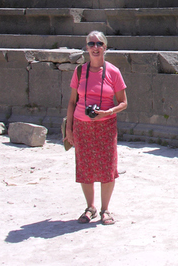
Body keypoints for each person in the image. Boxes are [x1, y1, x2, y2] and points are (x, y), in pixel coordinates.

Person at [64, 31, 127, 225]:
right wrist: (69, 129)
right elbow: (72, 102)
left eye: (99, 43)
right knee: (85, 168)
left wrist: (108, 112)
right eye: (91, 44)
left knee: (107, 168)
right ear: (87, 48)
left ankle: (105, 210)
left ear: (105, 47)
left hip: (106, 125)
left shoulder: (113, 72)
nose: (95, 47)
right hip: (82, 125)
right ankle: (89, 207)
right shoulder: (79, 72)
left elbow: (123, 102)